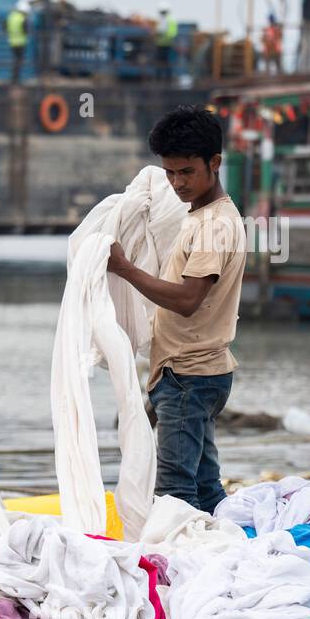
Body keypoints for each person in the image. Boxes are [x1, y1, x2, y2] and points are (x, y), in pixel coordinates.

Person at [106, 106, 246, 513]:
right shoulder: (201, 216)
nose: (176, 183)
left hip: (190, 375)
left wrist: (124, 268)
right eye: (169, 173)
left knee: (174, 493)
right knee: (205, 488)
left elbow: (187, 301)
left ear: (215, 163)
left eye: (186, 172)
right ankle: (223, 545)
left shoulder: (213, 227)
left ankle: (175, 569)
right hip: (195, 372)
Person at [6, 0, 29, 84]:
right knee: (19, 61)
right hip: (21, 42)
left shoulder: (10, 17)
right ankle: (15, 79)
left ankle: (13, 78)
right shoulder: (22, 18)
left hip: (12, 41)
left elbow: (5, 27)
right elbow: (26, 30)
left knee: (15, 60)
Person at [155, 2, 177, 81]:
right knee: (167, 62)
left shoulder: (165, 20)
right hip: (168, 44)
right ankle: (167, 78)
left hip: (163, 44)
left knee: (162, 62)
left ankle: (161, 78)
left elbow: (160, 31)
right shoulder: (170, 20)